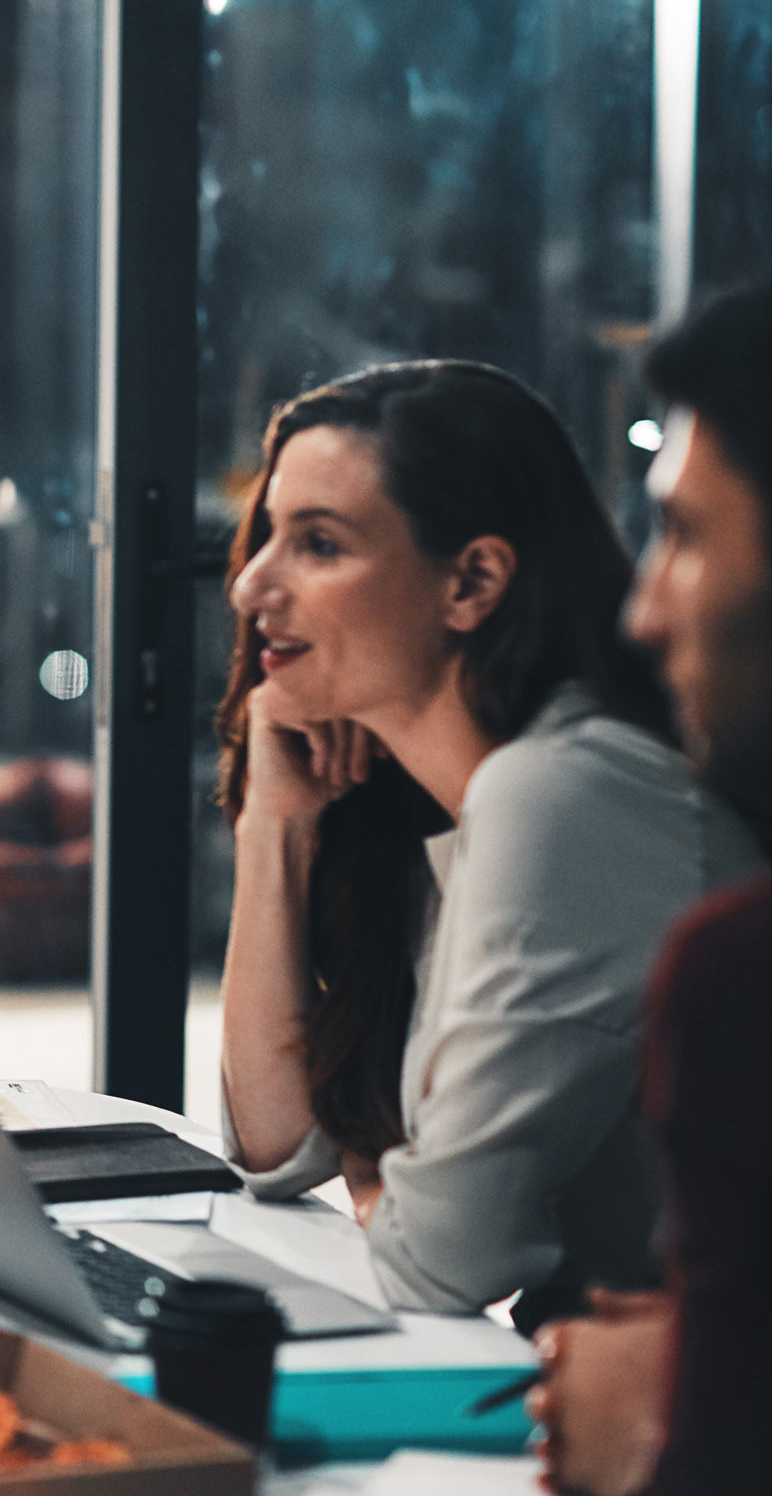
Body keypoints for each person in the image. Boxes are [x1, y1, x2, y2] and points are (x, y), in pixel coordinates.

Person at [213, 360, 759, 1323]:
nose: (254, 582)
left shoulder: (560, 795)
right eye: (268, 538)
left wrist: (389, 1191)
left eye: (320, 544)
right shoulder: (441, 809)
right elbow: (276, 1149)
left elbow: (438, 1263)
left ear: (471, 582)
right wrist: (275, 826)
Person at [530, 280, 772, 1496]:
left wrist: (673, 1425)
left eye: (684, 534)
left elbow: (436, 1242)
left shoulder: (740, 970)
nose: (644, 609)